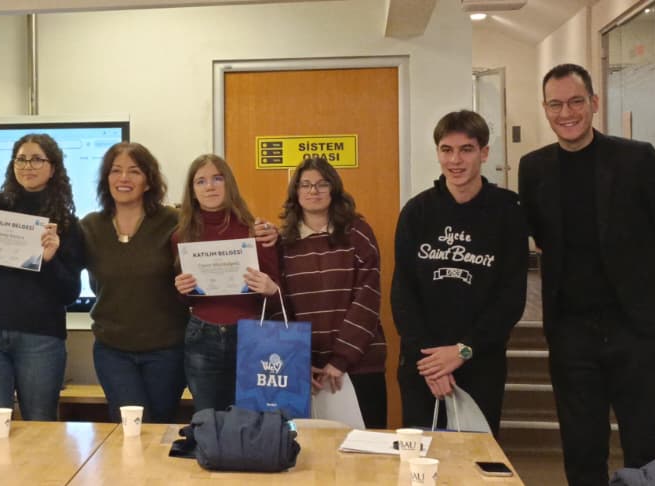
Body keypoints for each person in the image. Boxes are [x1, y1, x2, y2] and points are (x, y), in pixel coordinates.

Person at [519, 63, 655, 485]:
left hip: (637, 326)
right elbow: (540, 233)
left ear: (594, 103)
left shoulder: (638, 159)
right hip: (571, 329)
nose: (566, 113)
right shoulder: (533, 168)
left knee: (643, 443)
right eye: (555, 104)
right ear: (545, 109)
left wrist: (635, 275)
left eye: (576, 101)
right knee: (580, 445)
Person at [391, 111, 527, 435]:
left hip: (480, 363)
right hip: (424, 365)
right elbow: (403, 293)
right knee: (421, 457)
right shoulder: (416, 212)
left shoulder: (508, 211)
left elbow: (511, 298)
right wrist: (433, 365)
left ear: (484, 153)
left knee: (475, 458)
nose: (455, 160)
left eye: (466, 149)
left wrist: (463, 350)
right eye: (446, 150)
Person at [0, 133, 85, 421]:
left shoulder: (66, 224)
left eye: (37, 159)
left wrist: (49, 261)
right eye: (21, 159)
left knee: (40, 427)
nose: (28, 166)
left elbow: (70, 293)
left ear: (53, 168)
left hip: (40, 338)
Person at [276, 155, 388, 428]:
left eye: (322, 184)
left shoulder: (358, 233)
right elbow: (281, 308)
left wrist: (340, 360)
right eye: (305, 184)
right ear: (296, 192)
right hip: (306, 371)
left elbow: (367, 300)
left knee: (367, 449)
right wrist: (299, 361)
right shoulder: (282, 244)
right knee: (308, 450)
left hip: (359, 365)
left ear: (334, 189)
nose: (313, 191)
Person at [79, 142, 186, 424]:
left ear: (149, 181)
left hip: (167, 350)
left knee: (159, 428)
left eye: (134, 171)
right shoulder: (90, 226)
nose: (123, 178)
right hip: (112, 349)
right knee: (130, 427)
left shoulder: (174, 222)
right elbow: (63, 274)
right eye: (115, 171)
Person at [173, 153, 282, 414]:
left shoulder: (256, 230)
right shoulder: (181, 236)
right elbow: (185, 300)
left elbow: (278, 295)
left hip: (251, 333)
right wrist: (181, 289)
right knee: (208, 419)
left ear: (229, 184)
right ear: (192, 191)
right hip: (202, 335)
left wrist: (270, 289)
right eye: (201, 181)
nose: (209, 187)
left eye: (217, 179)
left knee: (253, 418)